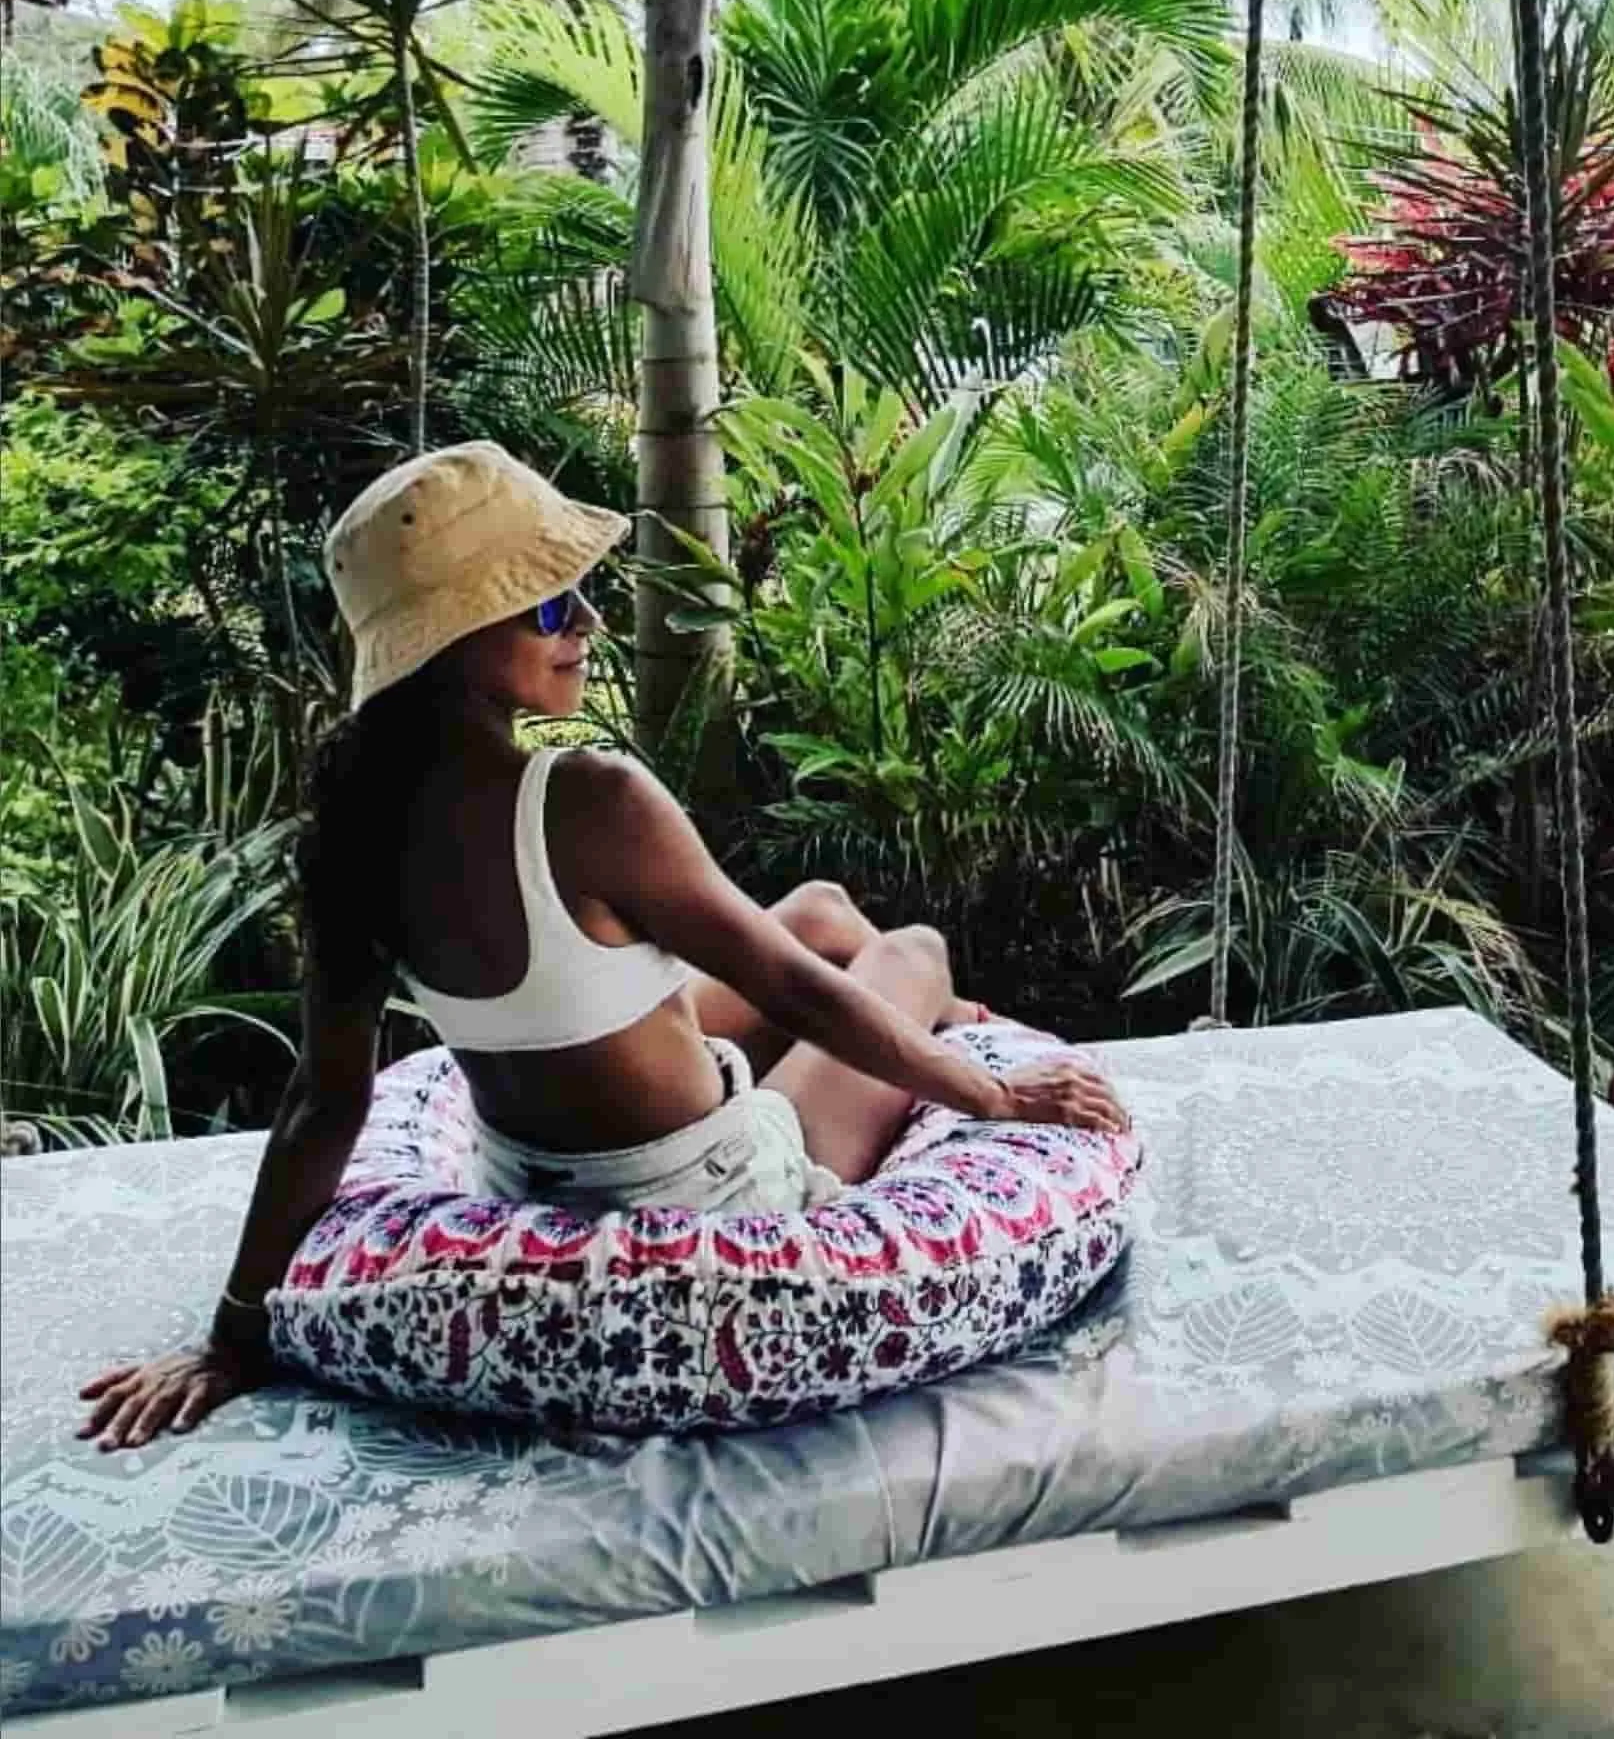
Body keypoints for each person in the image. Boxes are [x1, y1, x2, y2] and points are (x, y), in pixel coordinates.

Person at [79, 441, 1130, 1453]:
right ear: (454, 640)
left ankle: (921, 1017)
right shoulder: (588, 798)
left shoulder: (354, 831)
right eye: (546, 602)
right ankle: (959, 1022)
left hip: (524, 1167)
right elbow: (798, 993)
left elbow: (325, 1100)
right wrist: (992, 1097)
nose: (584, 620)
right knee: (905, 948)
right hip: (703, 1186)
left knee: (813, 903)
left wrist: (232, 1331)